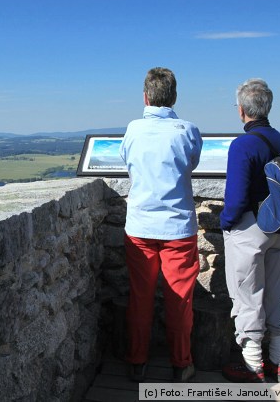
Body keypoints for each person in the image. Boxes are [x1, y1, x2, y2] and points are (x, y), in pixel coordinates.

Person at [119, 67, 203, 383]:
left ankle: (137, 361)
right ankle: (181, 364)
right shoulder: (188, 130)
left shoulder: (132, 129)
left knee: (140, 298)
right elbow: (191, 163)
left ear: (145, 96)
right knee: (179, 300)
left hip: (139, 225)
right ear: (174, 96)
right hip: (178, 227)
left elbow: (127, 161)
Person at [220, 78, 280, 384]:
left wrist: (225, 222)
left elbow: (236, 198)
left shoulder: (243, 145)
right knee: (278, 294)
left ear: (241, 111)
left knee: (247, 295)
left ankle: (253, 367)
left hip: (251, 228)